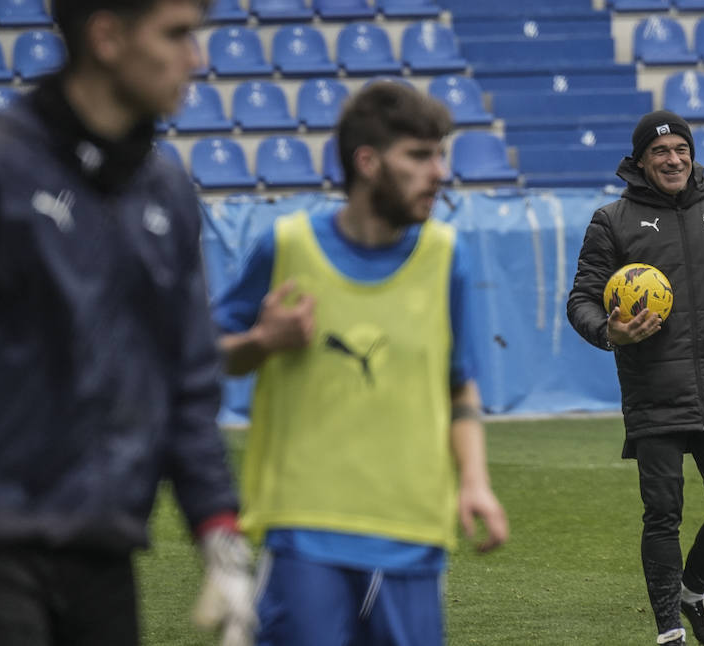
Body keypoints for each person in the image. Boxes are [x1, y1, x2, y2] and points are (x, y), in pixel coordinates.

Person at [0, 0, 252, 645]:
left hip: (105, 543)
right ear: (107, 37)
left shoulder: (170, 192)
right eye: (177, 34)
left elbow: (187, 373)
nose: (197, 59)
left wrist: (218, 528)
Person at [215, 83, 508, 644]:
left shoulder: (447, 256)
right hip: (307, 532)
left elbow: (459, 387)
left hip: (415, 531)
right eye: (420, 156)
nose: (440, 172)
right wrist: (261, 341)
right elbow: (206, 355)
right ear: (368, 162)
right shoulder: (287, 247)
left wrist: (475, 482)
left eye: (440, 154)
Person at [567, 110, 704, 646]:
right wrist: (612, 332)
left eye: (681, 149)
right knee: (663, 513)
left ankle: (693, 591)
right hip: (653, 390)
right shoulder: (611, 220)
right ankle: (669, 629)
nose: (673, 159)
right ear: (641, 162)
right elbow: (581, 301)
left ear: (692, 154)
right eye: (661, 152)